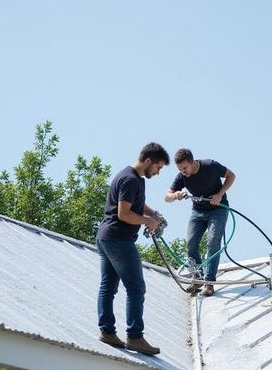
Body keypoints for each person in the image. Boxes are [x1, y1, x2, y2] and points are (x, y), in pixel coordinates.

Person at [96, 142, 169, 355]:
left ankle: (107, 332)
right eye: (158, 167)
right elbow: (124, 213)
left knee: (108, 286)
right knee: (136, 288)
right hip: (119, 240)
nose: (158, 172)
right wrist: (148, 221)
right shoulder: (130, 179)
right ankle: (135, 337)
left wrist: (152, 214)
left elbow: (135, 203)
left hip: (105, 237)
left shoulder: (132, 178)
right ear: (148, 161)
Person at [165, 148, 236, 297]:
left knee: (213, 242)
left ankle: (209, 282)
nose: (183, 172)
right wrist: (176, 195)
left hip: (218, 209)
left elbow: (231, 176)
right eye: (180, 169)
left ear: (192, 162)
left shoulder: (210, 166)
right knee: (191, 243)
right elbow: (167, 196)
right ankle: (197, 278)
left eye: (185, 168)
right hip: (198, 211)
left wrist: (220, 194)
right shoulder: (182, 176)